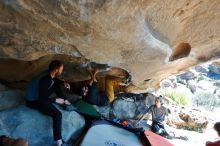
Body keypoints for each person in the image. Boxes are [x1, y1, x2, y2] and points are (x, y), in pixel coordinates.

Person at [37, 60, 71, 146]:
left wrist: (64, 83)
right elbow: (42, 99)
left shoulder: (49, 75)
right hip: (34, 101)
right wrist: (56, 100)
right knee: (58, 114)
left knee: (56, 85)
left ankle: (65, 101)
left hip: (42, 96)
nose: (61, 71)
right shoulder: (45, 80)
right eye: (61, 69)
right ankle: (59, 143)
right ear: (56, 70)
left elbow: (55, 80)